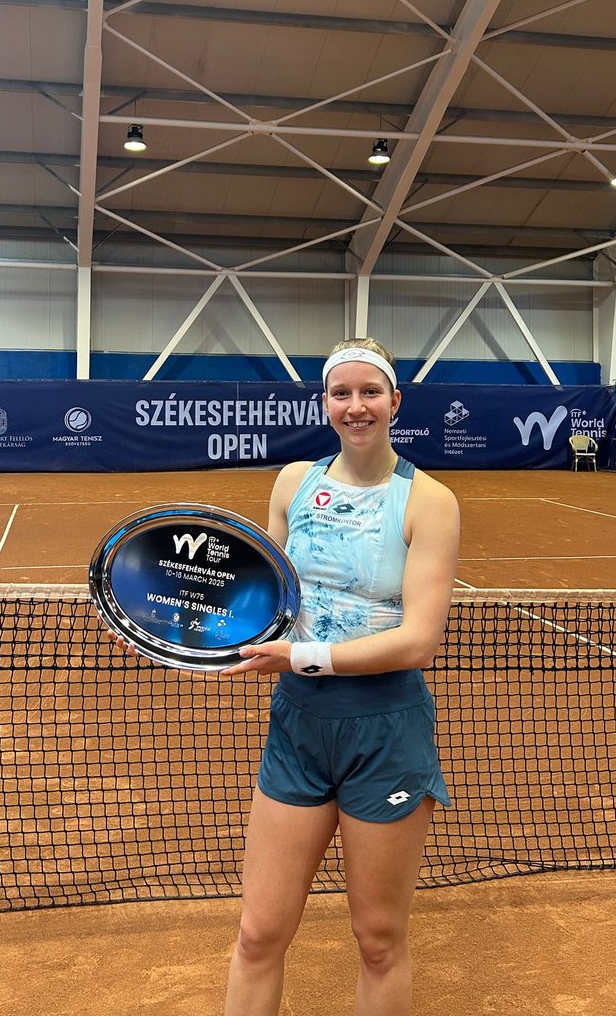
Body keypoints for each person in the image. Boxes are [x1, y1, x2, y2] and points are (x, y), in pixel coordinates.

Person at [220, 337, 460, 1016]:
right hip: (299, 725)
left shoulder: (429, 501)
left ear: (394, 402)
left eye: (370, 392)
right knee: (258, 933)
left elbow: (419, 641)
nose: (356, 406)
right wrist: (172, 634)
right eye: (341, 393)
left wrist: (301, 658)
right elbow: (264, 604)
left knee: (379, 941)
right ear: (325, 402)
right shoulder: (294, 482)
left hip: (385, 732)